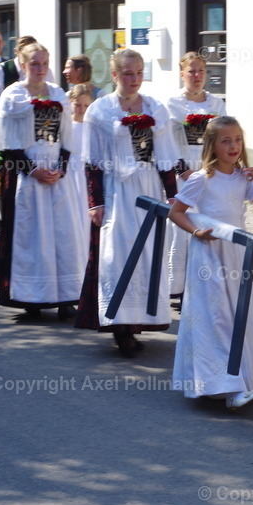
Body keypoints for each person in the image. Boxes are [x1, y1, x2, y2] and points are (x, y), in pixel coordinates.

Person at [75, 48, 181, 356]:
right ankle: (120, 327)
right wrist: (95, 202)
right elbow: (92, 162)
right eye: (127, 73)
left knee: (148, 256)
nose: (134, 79)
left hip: (148, 189)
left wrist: (172, 195)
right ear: (115, 75)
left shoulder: (157, 110)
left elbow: (166, 159)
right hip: (118, 192)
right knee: (117, 257)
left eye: (138, 73)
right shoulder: (100, 112)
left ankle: (138, 321)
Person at [169, 116, 253, 409]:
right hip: (209, 252)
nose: (233, 146)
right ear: (213, 146)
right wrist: (196, 231)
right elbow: (176, 212)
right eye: (226, 141)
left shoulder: (243, 178)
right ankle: (227, 387)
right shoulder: (201, 178)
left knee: (236, 315)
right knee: (215, 317)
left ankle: (241, 379)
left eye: (238, 140)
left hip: (236, 253)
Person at [0, 42, 88, 316]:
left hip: (57, 177)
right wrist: (33, 170)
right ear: (23, 66)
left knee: (62, 234)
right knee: (32, 237)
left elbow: (67, 136)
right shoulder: (12, 96)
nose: (40, 69)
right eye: (34, 64)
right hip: (28, 177)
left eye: (44, 63)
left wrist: (60, 167)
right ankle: (31, 299)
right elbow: (6, 143)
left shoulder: (58, 94)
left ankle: (65, 297)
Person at [165, 51, 227, 298]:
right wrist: (184, 171)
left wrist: (215, 168)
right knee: (184, 225)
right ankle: (178, 287)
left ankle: (206, 280)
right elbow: (168, 144)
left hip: (208, 168)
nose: (197, 76)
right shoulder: (173, 104)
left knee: (209, 220)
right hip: (184, 171)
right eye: (191, 71)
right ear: (182, 74)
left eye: (201, 70)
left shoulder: (216, 104)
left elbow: (223, 138)